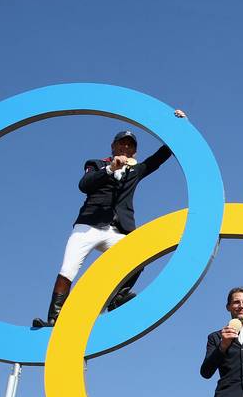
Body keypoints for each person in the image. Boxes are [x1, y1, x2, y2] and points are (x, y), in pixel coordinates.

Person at [32, 108, 187, 328]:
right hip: (89, 225)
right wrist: (109, 170)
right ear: (113, 146)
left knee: (140, 254)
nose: (125, 147)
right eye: (121, 143)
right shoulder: (96, 164)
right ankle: (54, 318)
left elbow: (160, 157)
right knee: (68, 269)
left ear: (134, 151)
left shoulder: (137, 170)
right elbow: (84, 185)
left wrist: (178, 127)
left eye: (130, 145)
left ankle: (116, 298)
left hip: (119, 230)